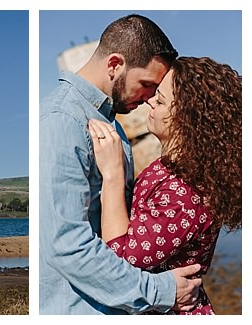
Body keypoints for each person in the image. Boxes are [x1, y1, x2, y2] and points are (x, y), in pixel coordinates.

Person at [39, 14, 202, 314]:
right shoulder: (62, 120)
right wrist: (162, 290)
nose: (150, 97)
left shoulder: (108, 119)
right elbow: (66, 246)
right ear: (114, 65)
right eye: (146, 84)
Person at [88, 56, 242, 315]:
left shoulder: (188, 192)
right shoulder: (172, 169)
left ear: (185, 118)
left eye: (159, 100)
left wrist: (113, 175)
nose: (149, 101)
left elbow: (123, 262)